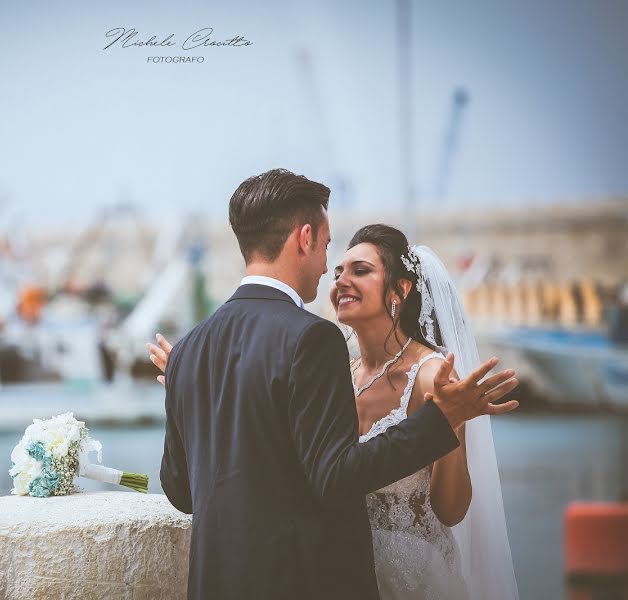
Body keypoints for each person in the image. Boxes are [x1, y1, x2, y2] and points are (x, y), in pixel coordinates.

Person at [148, 168, 518, 599]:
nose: (328, 271)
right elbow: (333, 476)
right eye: (326, 248)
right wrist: (440, 419)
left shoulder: (190, 350)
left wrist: (194, 389)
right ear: (304, 238)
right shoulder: (313, 338)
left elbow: (179, 489)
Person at [329, 224, 519, 599]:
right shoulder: (338, 376)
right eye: (338, 273)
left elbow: (450, 510)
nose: (341, 282)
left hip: (417, 579)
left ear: (400, 289)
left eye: (360, 271)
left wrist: (451, 419)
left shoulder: (432, 377)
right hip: (346, 573)